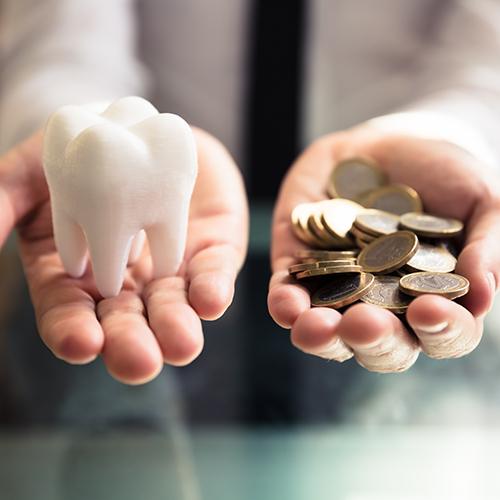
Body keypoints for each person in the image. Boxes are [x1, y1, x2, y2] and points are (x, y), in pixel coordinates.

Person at [0, 0, 499, 386]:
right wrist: (79, 132)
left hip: (386, 153)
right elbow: (59, 35)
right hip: (157, 155)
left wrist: (447, 134)